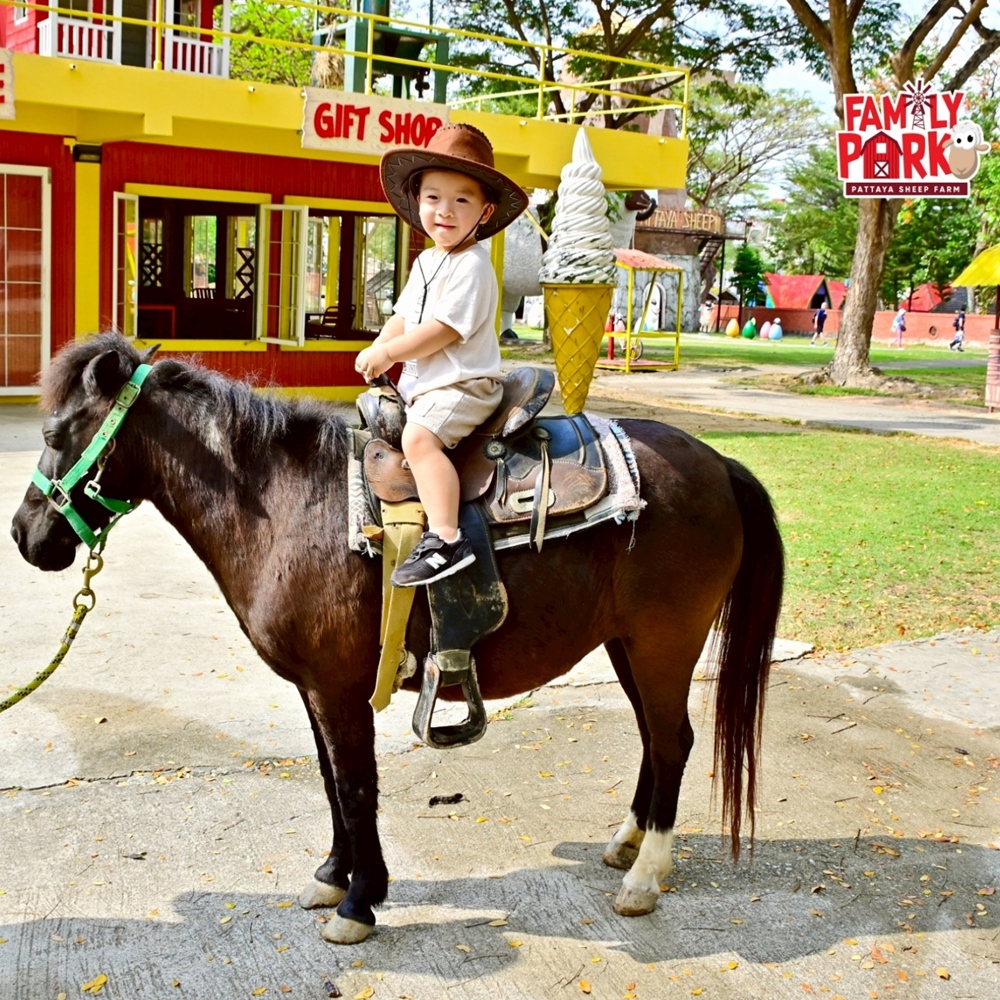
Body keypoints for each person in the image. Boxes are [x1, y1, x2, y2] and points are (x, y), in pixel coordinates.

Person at [354, 123, 528, 587]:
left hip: (463, 385)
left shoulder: (473, 265)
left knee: (418, 440)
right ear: (417, 203)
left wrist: (390, 351)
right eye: (433, 198)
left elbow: (441, 332)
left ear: (485, 211)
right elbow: (404, 317)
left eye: (461, 200)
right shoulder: (427, 261)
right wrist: (377, 346)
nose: (445, 211)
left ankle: (447, 539)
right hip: (427, 385)